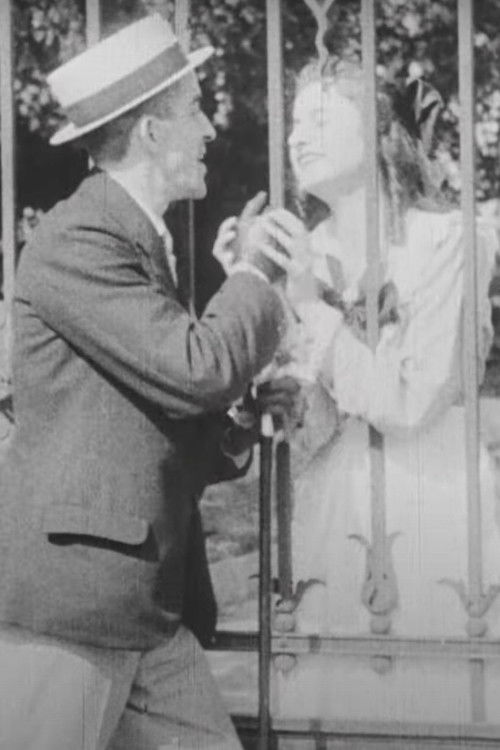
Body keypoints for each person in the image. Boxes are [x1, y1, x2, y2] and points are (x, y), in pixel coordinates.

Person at [0, 15, 306, 750]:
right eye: (195, 109)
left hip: (140, 607)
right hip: (77, 608)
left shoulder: (132, 238)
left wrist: (239, 424)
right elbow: (196, 369)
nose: (209, 128)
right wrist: (255, 274)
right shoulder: (79, 239)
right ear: (149, 132)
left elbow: (147, 410)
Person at [216, 57, 500, 725]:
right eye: (294, 123)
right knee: (338, 704)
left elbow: (410, 401)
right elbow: (309, 428)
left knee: (435, 702)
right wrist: (247, 289)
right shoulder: (304, 250)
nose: (298, 136)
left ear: (378, 127)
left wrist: (310, 302)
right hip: (335, 504)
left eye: (319, 117)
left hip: (432, 493)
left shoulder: (449, 238)